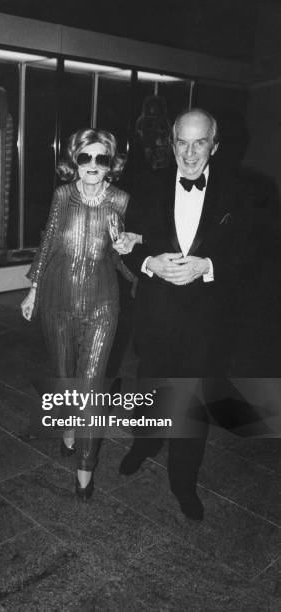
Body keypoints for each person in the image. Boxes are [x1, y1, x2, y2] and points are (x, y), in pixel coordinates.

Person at [114, 108, 249, 521]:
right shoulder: (147, 184)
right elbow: (129, 243)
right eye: (182, 143)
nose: (190, 153)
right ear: (171, 144)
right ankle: (145, 442)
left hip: (206, 320)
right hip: (156, 314)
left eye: (200, 142)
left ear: (215, 145)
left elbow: (253, 254)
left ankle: (183, 480)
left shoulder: (240, 191)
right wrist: (150, 262)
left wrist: (207, 266)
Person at [21, 128, 129, 500]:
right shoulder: (63, 195)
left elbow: (127, 251)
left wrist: (135, 248)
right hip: (57, 297)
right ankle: (68, 427)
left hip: (103, 301)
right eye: (86, 158)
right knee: (65, 375)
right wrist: (34, 288)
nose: (93, 165)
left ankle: (85, 467)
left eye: (101, 158)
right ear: (75, 161)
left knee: (91, 386)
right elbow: (49, 239)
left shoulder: (121, 199)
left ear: (110, 163)